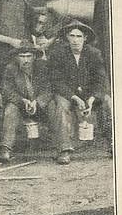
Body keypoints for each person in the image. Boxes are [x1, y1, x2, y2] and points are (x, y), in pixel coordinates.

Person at [48, 21, 111, 165]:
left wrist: (91, 99)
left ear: (85, 38)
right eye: (72, 36)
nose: (75, 40)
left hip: (90, 94)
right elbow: (56, 81)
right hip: (68, 94)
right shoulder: (58, 54)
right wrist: (74, 97)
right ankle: (64, 149)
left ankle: (113, 143)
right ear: (67, 37)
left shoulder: (94, 53)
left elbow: (101, 80)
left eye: (79, 36)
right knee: (61, 105)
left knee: (107, 101)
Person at [0, 41, 53, 163]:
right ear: (16, 57)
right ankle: (6, 148)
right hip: (21, 105)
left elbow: (49, 89)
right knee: (10, 110)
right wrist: (22, 101)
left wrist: (37, 102)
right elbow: (7, 91)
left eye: (28, 56)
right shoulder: (10, 69)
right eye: (22, 57)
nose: (26, 60)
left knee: (54, 106)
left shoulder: (43, 68)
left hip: (40, 105)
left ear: (34, 57)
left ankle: (61, 148)